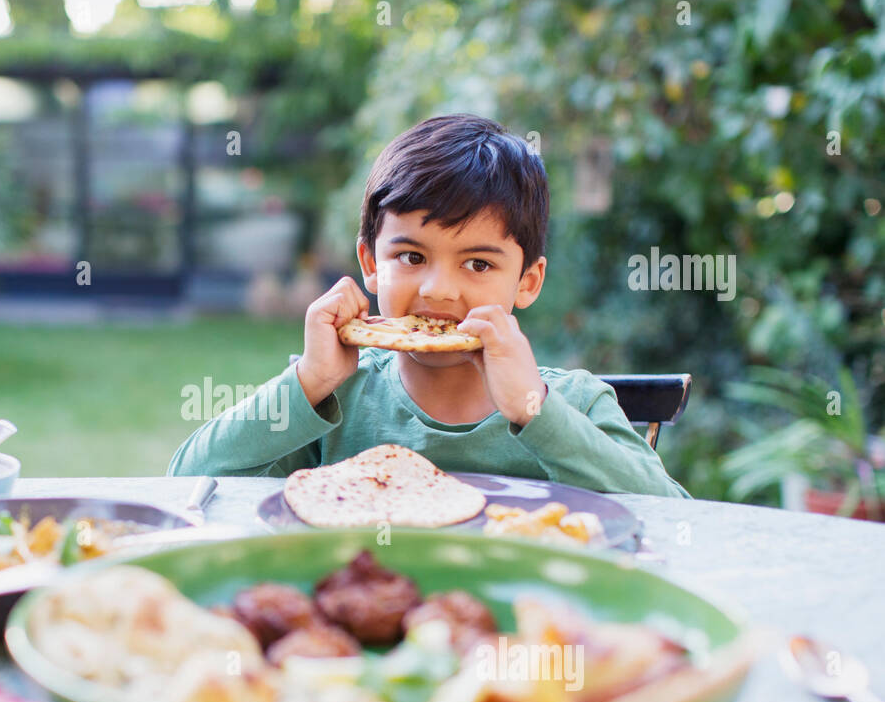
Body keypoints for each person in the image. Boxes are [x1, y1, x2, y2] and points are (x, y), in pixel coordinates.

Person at [169, 114, 688, 497]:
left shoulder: (574, 401)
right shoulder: (334, 397)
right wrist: (308, 382)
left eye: (478, 264)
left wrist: (535, 409)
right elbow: (187, 481)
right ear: (370, 264)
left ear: (528, 282)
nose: (439, 289)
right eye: (412, 256)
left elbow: (676, 516)